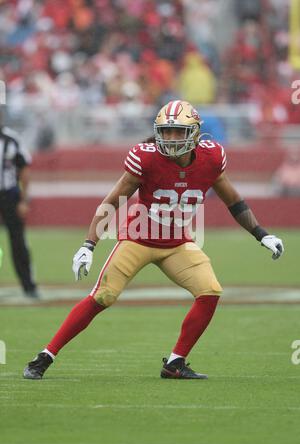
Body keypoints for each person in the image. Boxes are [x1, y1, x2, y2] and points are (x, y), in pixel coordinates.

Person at [23, 100, 284, 380]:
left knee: (210, 290)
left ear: (195, 133)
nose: (170, 138)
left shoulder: (211, 158)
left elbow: (234, 201)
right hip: (138, 239)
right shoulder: (146, 158)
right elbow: (112, 201)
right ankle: (45, 356)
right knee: (103, 296)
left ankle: (175, 363)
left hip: (176, 243)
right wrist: (89, 244)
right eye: (166, 131)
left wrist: (262, 234)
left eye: (178, 132)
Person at [0, 126, 38, 298]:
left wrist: (23, 200)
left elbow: (24, 168)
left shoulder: (12, 139)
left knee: (18, 242)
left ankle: (29, 286)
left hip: (9, 195)